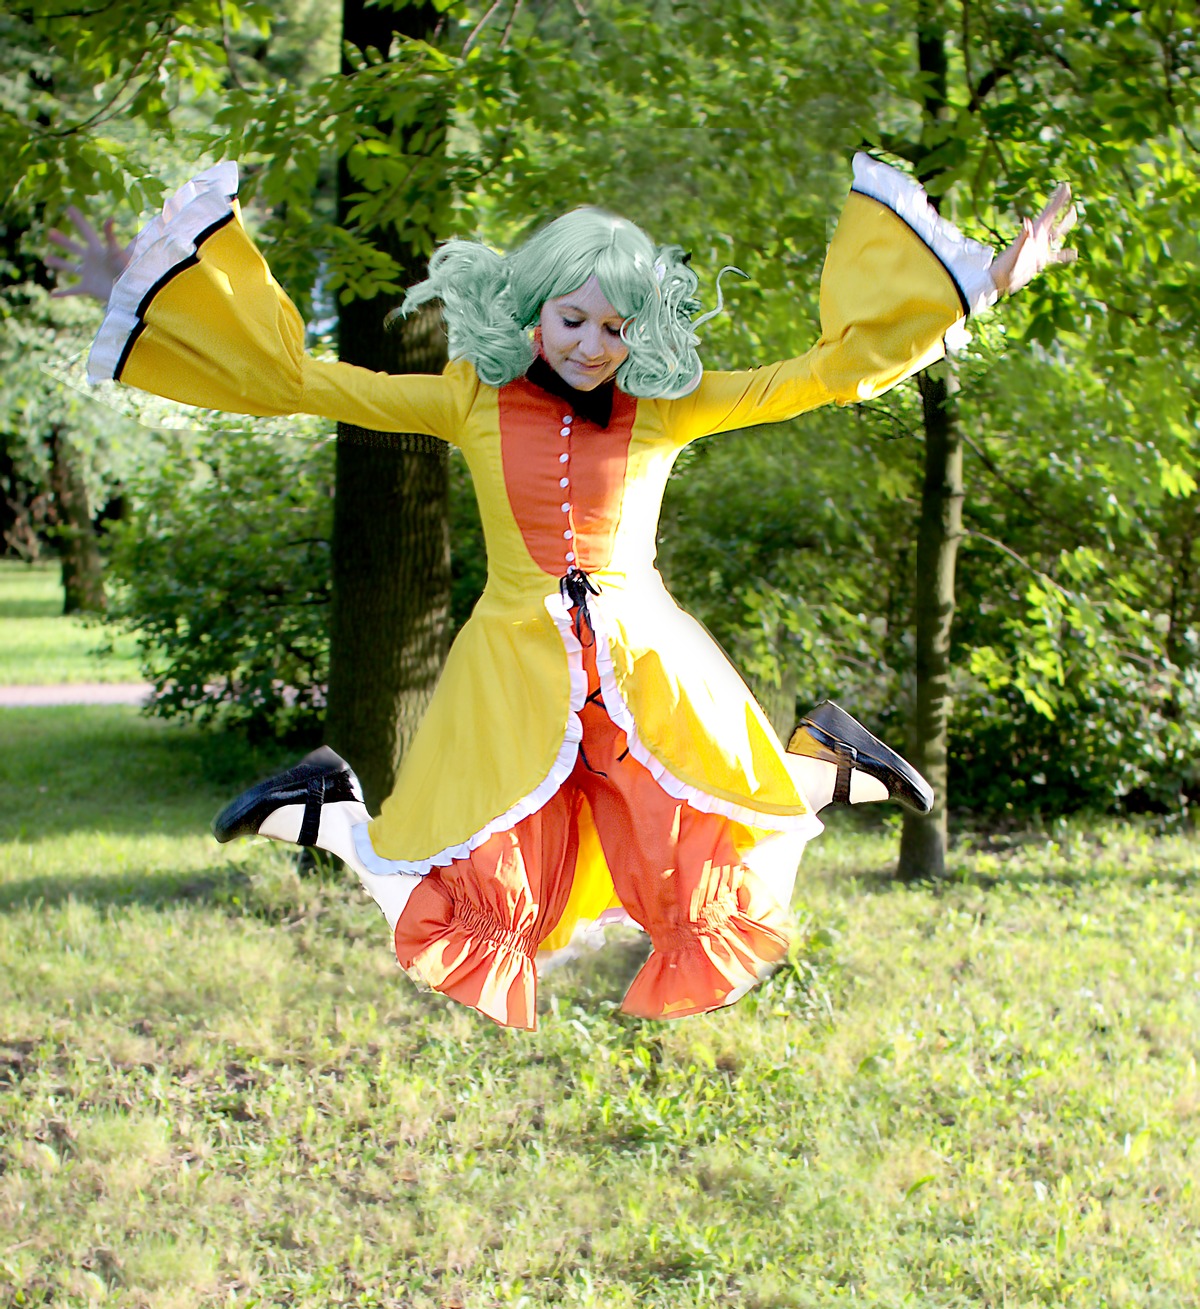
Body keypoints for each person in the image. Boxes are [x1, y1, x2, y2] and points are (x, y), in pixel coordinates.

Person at [52, 157, 1075, 1029]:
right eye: (573, 318)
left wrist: (983, 284)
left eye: (616, 329)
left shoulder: (667, 411)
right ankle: (825, 765)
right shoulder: (472, 398)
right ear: (531, 309)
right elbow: (309, 382)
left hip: (644, 667)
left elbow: (817, 375)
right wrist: (144, 294)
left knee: (700, 853)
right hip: (513, 674)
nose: (591, 345)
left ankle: (821, 766)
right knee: (476, 879)